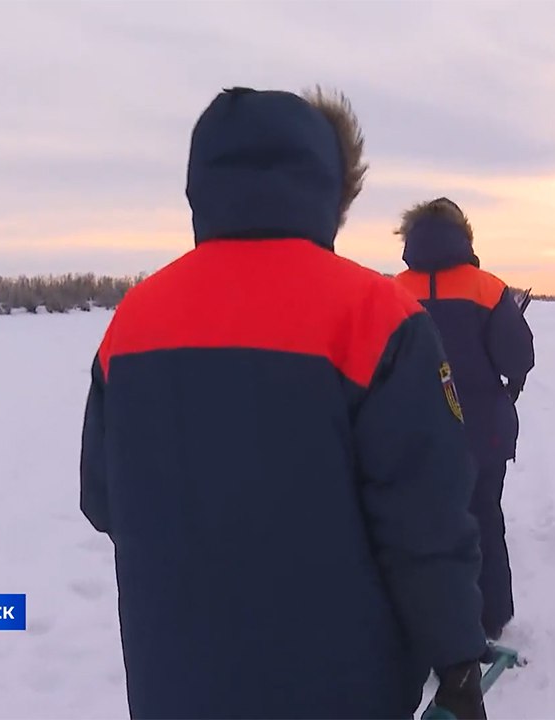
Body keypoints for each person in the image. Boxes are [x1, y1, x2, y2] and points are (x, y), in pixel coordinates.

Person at [79, 87, 489, 720]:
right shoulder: (377, 316)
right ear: (333, 186)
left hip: (175, 680)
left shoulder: (134, 320)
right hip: (340, 683)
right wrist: (458, 658)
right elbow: (424, 522)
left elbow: (103, 498)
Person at [392, 198, 535, 641]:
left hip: (411, 434)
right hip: (482, 434)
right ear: (465, 236)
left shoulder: (392, 291)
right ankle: (489, 619)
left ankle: (428, 620)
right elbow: (519, 356)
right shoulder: (488, 288)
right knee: (483, 519)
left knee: (422, 526)